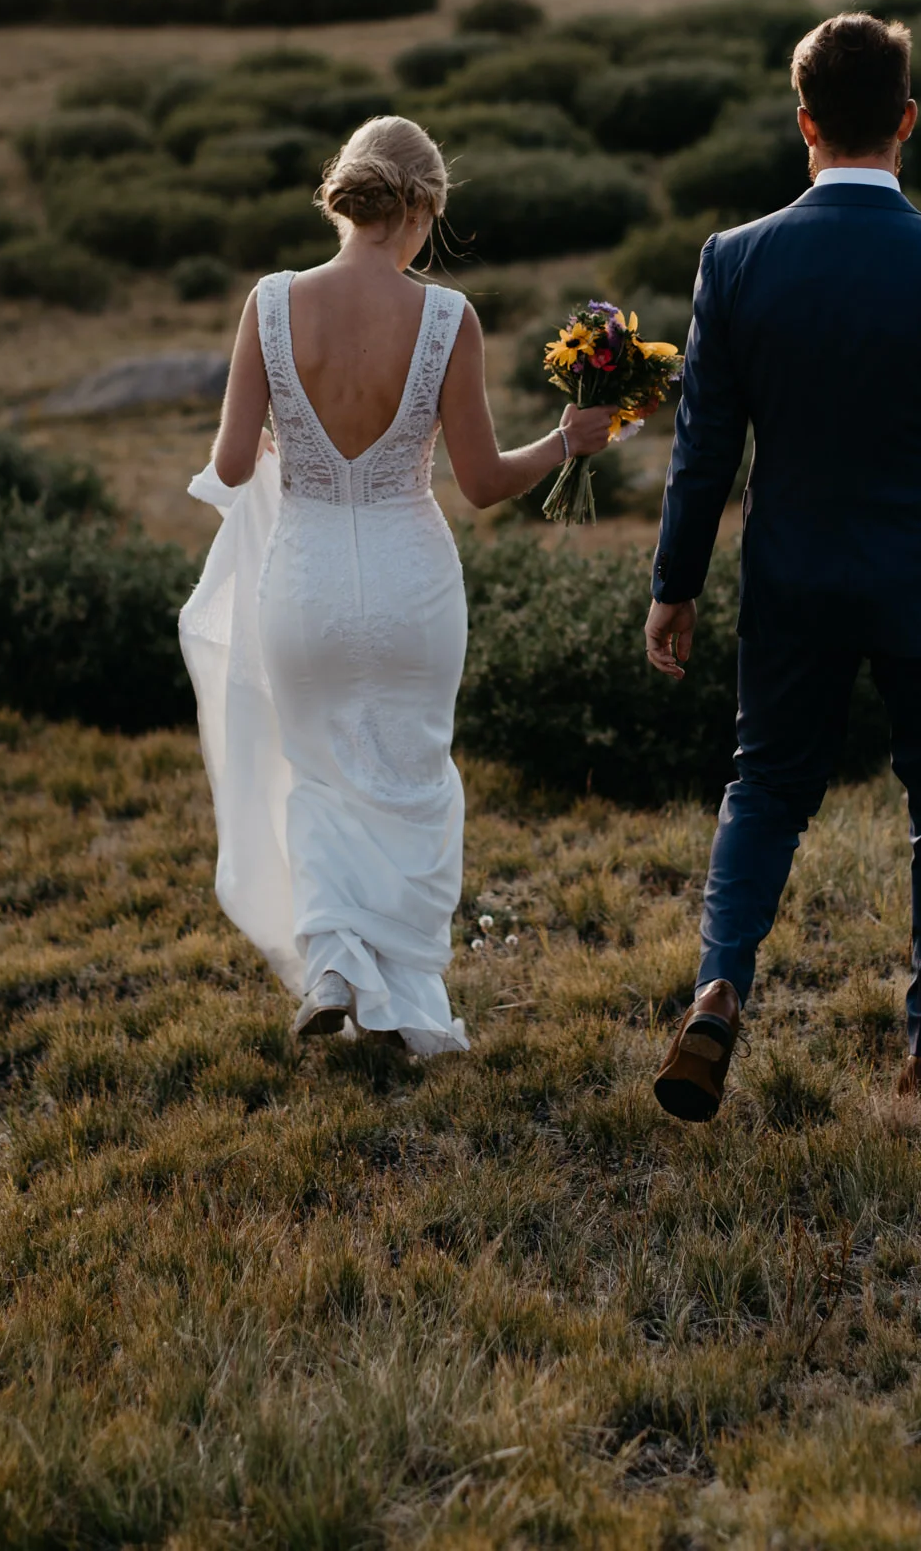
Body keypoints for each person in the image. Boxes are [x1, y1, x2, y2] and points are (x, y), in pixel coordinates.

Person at [645, 13, 921, 1118]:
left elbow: (704, 447)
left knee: (766, 787)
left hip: (794, 576)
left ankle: (720, 986)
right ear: (906, 121)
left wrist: (674, 585)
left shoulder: (734, 260)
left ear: (804, 125)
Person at [181, 115, 612, 1054]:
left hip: (304, 581)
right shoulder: (448, 319)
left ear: (347, 197)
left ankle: (336, 963)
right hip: (411, 580)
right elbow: (484, 482)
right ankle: (397, 993)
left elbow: (232, 464)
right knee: (412, 780)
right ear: (420, 207)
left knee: (319, 779)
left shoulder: (269, 303)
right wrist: (566, 441)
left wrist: (282, 441)